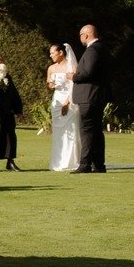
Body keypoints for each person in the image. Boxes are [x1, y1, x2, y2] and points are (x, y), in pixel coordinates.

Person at [71, 23, 109, 173]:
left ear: (86, 35)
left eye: (81, 35)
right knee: (96, 131)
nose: (80, 38)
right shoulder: (102, 48)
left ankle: (85, 164)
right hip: (97, 96)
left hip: (89, 96)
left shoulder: (92, 50)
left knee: (86, 131)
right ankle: (99, 164)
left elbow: (88, 72)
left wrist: (73, 76)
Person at [46, 42, 82, 173]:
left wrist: (67, 103)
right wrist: (51, 85)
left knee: (71, 130)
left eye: (52, 53)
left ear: (61, 52)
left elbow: (75, 86)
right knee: (59, 131)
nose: (51, 55)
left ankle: (72, 161)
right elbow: (49, 83)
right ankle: (58, 161)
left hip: (70, 99)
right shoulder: (51, 68)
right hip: (57, 100)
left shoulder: (72, 66)